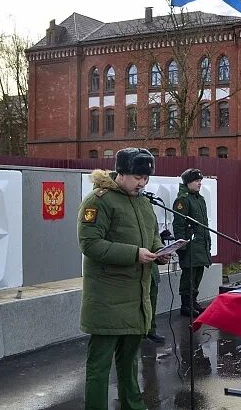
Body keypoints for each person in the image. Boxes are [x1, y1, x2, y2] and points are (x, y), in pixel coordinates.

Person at [78, 147, 168, 410]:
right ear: (122, 173)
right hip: (107, 298)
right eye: (138, 177)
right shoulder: (99, 201)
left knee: (130, 364)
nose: (142, 183)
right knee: (99, 367)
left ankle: (133, 406)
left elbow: (151, 236)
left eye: (146, 178)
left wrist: (160, 252)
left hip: (136, 298)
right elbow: (90, 244)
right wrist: (134, 254)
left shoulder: (143, 202)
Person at [173, 168, 211, 317]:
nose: (199, 183)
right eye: (196, 181)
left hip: (201, 244)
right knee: (188, 276)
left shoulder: (199, 199)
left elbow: (204, 223)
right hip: (190, 245)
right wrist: (182, 245)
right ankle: (186, 305)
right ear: (188, 182)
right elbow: (179, 223)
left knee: (197, 275)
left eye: (200, 181)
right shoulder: (183, 199)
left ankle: (193, 302)